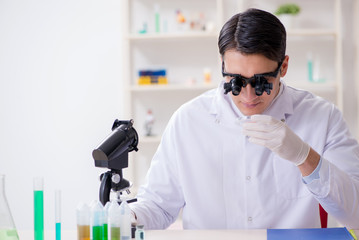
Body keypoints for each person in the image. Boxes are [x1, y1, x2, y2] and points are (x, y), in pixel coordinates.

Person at [129, 8, 359, 230]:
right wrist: (129, 217)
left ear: (284, 66)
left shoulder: (323, 117)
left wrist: (305, 157)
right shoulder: (187, 121)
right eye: (236, 81)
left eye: (262, 82)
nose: (249, 96)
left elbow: (355, 213)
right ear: (222, 65)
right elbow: (158, 205)